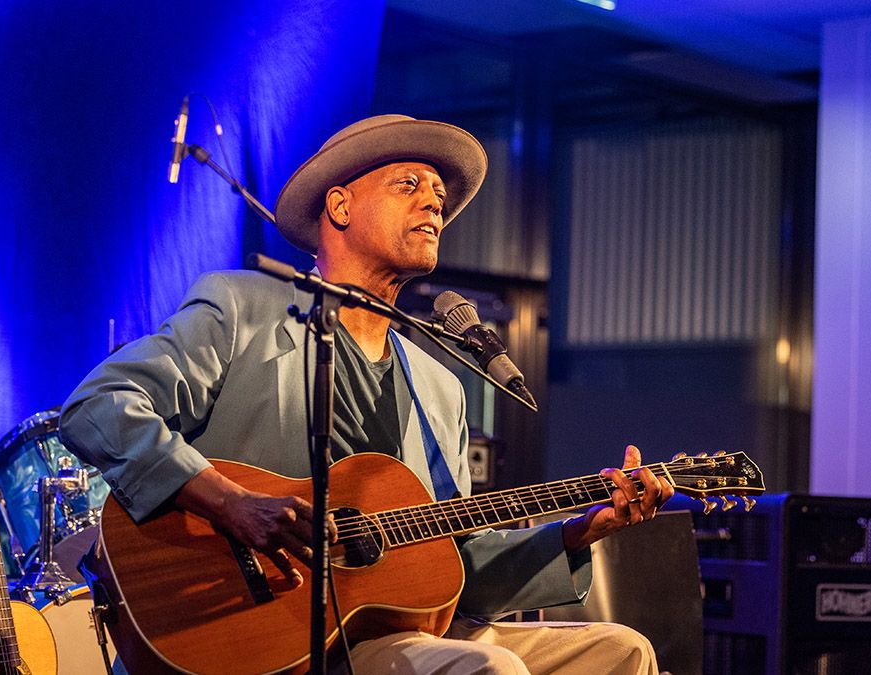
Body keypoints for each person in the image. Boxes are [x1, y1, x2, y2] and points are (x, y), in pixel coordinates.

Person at [61, 114, 674, 674]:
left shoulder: (440, 389)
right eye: (410, 186)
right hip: (254, 626)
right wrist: (230, 503)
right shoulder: (242, 307)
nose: (434, 206)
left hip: (390, 634)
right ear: (341, 205)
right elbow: (99, 406)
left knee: (620, 652)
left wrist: (577, 532)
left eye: (439, 199)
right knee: (493, 672)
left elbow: (458, 566)